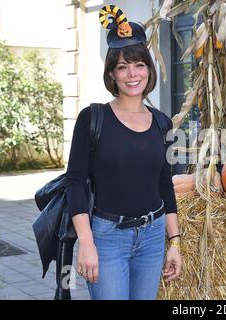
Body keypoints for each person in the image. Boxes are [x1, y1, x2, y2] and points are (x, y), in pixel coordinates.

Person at [65, 5, 182, 300]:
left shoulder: (162, 122)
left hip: (153, 237)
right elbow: (75, 182)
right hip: (107, 239)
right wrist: (87, 242)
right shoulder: (92, 118)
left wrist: (175, 242)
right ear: (112, 75)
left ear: (148, 70)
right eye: (122, 66)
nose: (132, 73)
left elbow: (165, 184)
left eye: (139, 65)